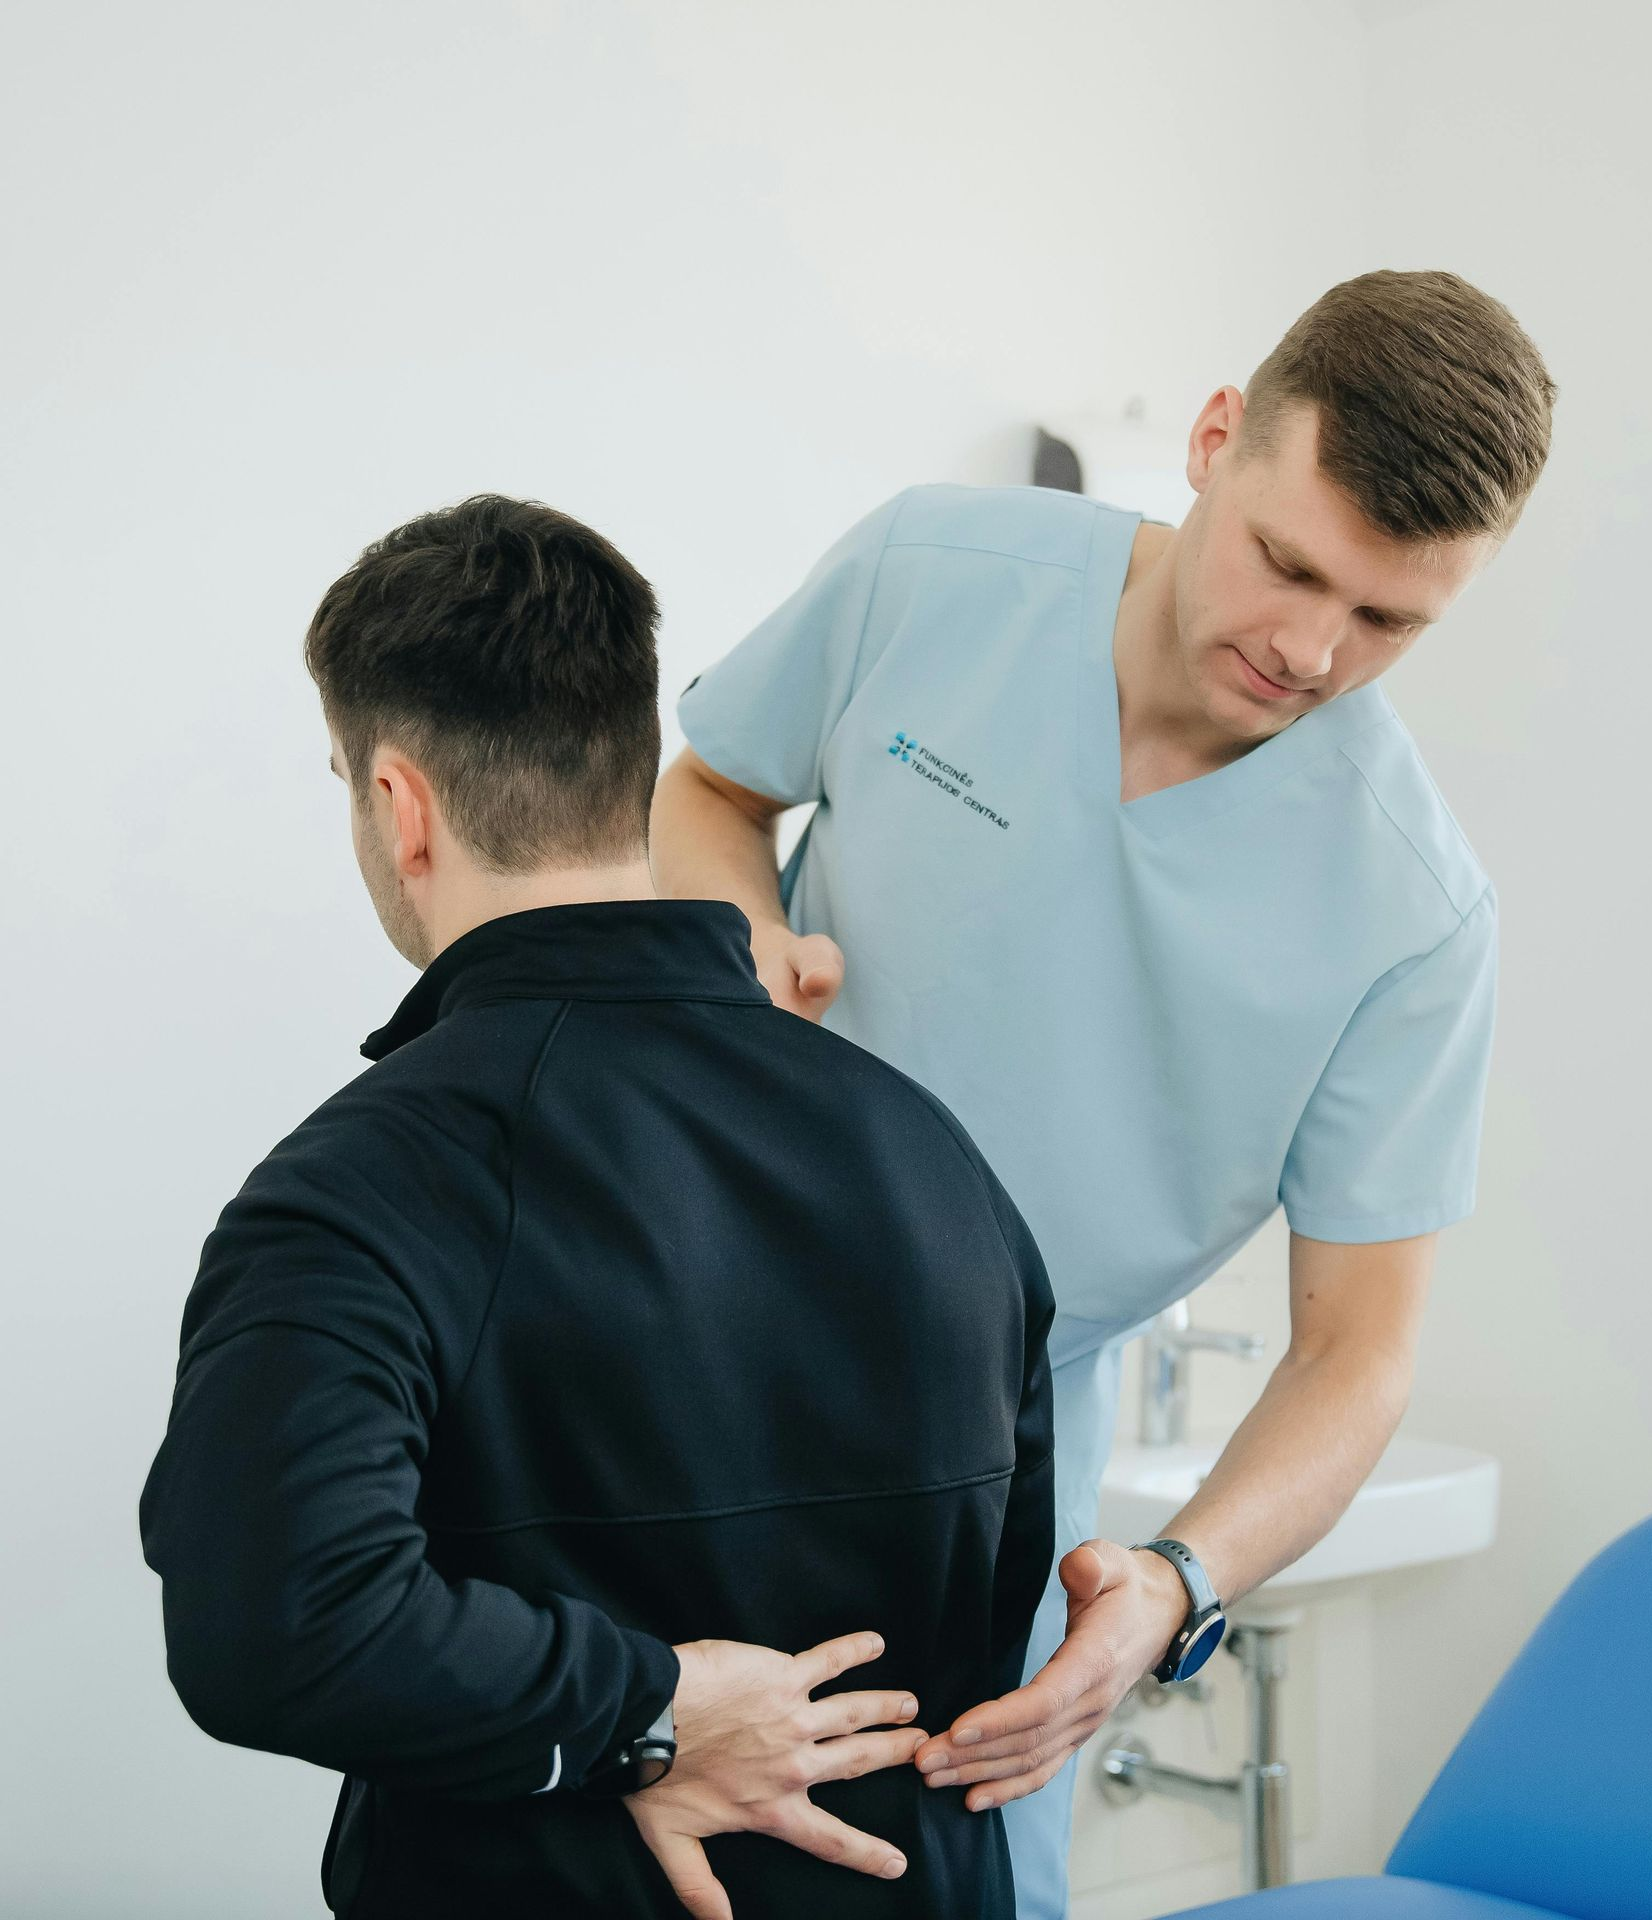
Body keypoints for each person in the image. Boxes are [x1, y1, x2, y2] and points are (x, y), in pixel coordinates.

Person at [649, 268, 1557, 1918]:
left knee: (940, 1874)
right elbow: (714, 784)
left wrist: (1173, 1583)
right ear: (1216, 441)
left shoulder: (1413, 910)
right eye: (1290, 565)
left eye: (1388, 621)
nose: (1310, 648)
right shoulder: (933, 569)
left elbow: (1359, 1347)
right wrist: (744, 934)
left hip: (994, 1441)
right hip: (689, 1320)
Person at [137, 495, 1056, 1919]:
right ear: (627, 762)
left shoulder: (363, 1184)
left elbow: (277, 1623)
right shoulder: (932, 1153)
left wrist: (650, 1708)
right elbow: (987, 1616)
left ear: (400, 802)